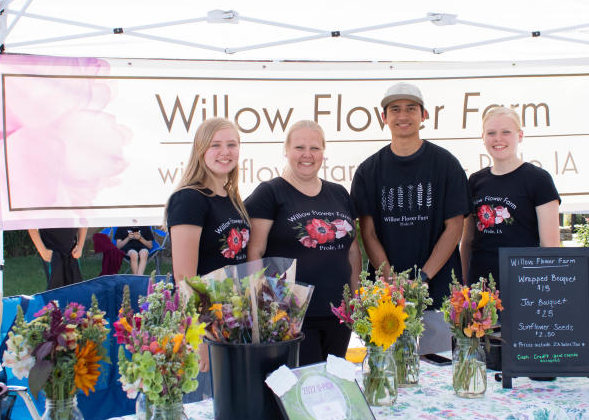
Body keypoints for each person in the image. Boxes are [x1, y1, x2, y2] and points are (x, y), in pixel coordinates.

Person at [351, 82, 470, 355]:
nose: (402, 116)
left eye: (410, 109)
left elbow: (455, 227)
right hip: (385, 298)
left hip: (439, 293)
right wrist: (391, 281)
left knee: (438, 375)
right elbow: (367, 233)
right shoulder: (368, 171)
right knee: (387, 375)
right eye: (394, 110)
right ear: (384, 118)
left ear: (424, 115)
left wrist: (423, 278)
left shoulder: (446, 164)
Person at [246, 120, 361, 365]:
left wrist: (355, 298)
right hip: (293, 316)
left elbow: (352, 250)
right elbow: (255, 251)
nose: (307, 155)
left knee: (331, 387)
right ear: (285, 150)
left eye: (315, 148)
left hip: (339, 315)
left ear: (323, 152)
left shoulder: (339, 193)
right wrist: (263, 306)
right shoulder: (270, 193)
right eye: (299, 147)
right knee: (306, 389)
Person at [165, 118, 250, 388]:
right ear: (201, 150)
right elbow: (184, 276)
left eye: (231, 145)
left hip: (231, 320)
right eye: (215, 145)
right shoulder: (189, 199)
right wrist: (199, 335)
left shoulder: (232, 199)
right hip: (203, 325)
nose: (225, 152)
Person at [460, 106, 561, 287]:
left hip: (523, 285)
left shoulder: (539, 179)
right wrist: (463, 282)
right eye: (491, 133)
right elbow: (467, 240)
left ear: (520, 135)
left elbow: (550, 247)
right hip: (480, 288)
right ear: (483, 138)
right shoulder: (475, 181)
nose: (498, 138)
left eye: (506, 132)